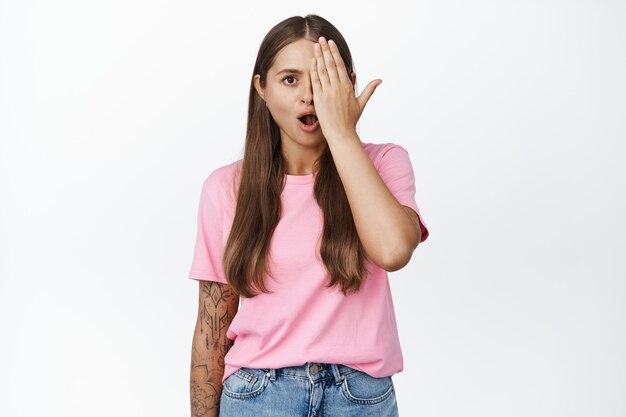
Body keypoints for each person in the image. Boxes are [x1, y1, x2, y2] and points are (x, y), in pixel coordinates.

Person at [188, 14, 430, 417]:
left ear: (347, 85)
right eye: (289, 79)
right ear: (260, 88)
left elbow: (392, 251)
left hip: (360, 397)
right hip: (258, 396)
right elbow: (210, 330)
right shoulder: (226, 188)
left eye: (322, 79)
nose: (308, 96)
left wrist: (342, 132)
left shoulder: (385, 162)